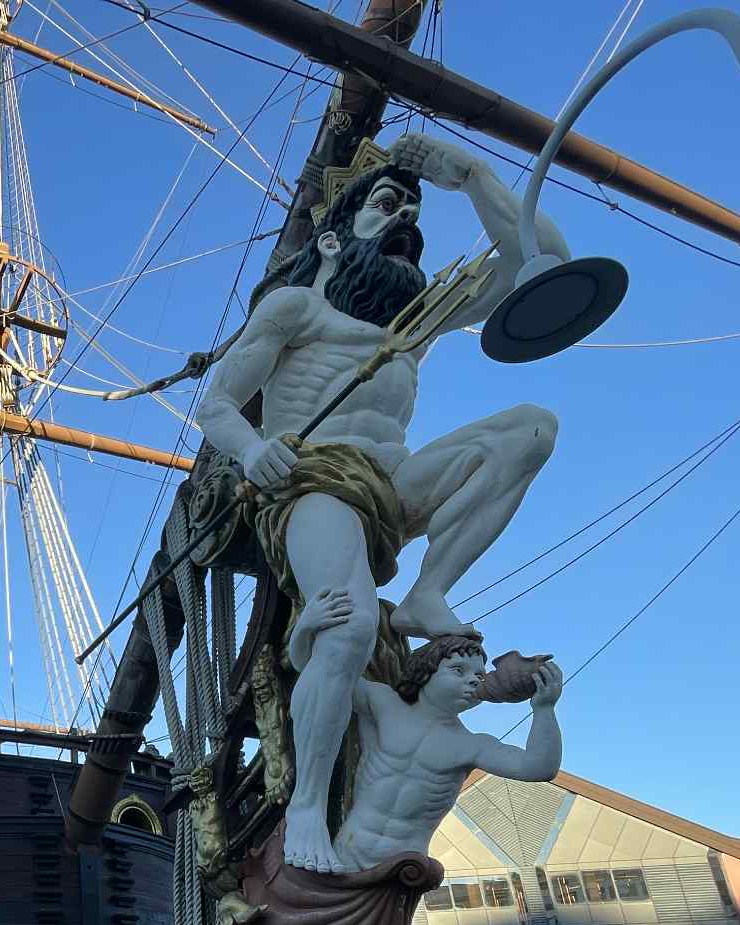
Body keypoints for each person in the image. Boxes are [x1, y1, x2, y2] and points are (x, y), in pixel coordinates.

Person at [194, 134, 568, 874]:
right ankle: (307, 806)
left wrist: (471, 173)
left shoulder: (416, 325)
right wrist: (253, 449)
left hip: (392, 482)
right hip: (313, 481)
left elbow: (544, 258)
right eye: (388, 205)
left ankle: (429, 591)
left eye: (413, 213)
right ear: (335, 237)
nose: (406, 221)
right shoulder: (298, 309)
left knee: (531, 428)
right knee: (350, 624)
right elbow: (217, 404)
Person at [332, 638, 564, 870]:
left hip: (405, 870)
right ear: (425, 672)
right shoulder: (383, 704)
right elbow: (328, 674)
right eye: (458, 670)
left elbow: (539, 767)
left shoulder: (471, 745)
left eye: (480, 676)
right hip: (344, 857)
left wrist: (544, 709)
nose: (474, 680)